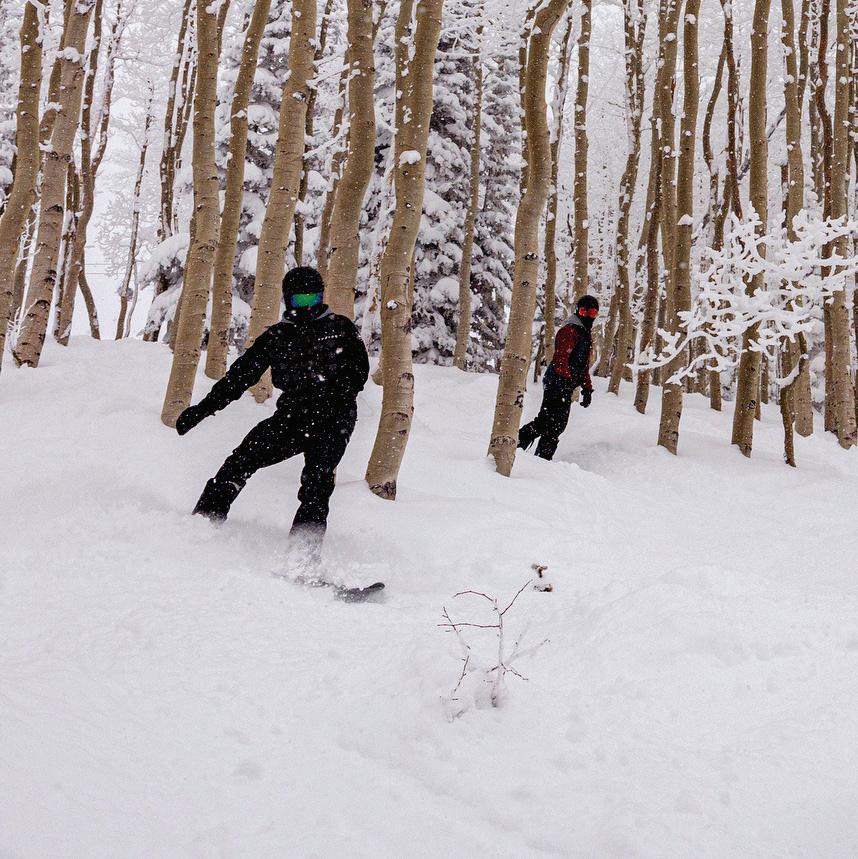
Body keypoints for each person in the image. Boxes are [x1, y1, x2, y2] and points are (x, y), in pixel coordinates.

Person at [175, 266, 369, 565]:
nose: (308, 307)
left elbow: (359, 372)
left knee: (317, 482)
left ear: (321, 297)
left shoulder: (341, 328)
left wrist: (333, 391)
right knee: (242, 460)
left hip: (334, 418)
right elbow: (238, 379)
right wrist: (201, 410)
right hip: (292, 417)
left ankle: (303, 554)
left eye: (313, 299)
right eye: (301, 301)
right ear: (288, 300)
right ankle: (203, 523)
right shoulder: (277, 336)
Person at [517, 294, 599, 461]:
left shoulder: (584, 334)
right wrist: (565, 380)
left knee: (554, 424)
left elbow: (583, 365)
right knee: (551, 423)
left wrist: (587, 388)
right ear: (578, 311)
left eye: (592, 313)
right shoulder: (569, 330)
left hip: (564, 384)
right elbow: (561, 358)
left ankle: (538, 456)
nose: (589, 317)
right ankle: (524, 447)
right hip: (556, 382)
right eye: (585, 312)